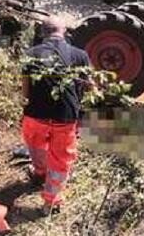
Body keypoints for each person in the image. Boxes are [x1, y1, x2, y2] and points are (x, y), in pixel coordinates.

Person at [21, 15, 91, 215]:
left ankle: (40, 173)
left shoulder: (31, 54)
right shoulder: (80, 55)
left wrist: (26, 104)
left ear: (43, 33)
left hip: (35, 114)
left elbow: (25, 91)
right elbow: (89, 87)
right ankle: (51, 203)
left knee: (35, 145)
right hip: (65, 116)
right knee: (61, 159)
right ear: (65, 33)